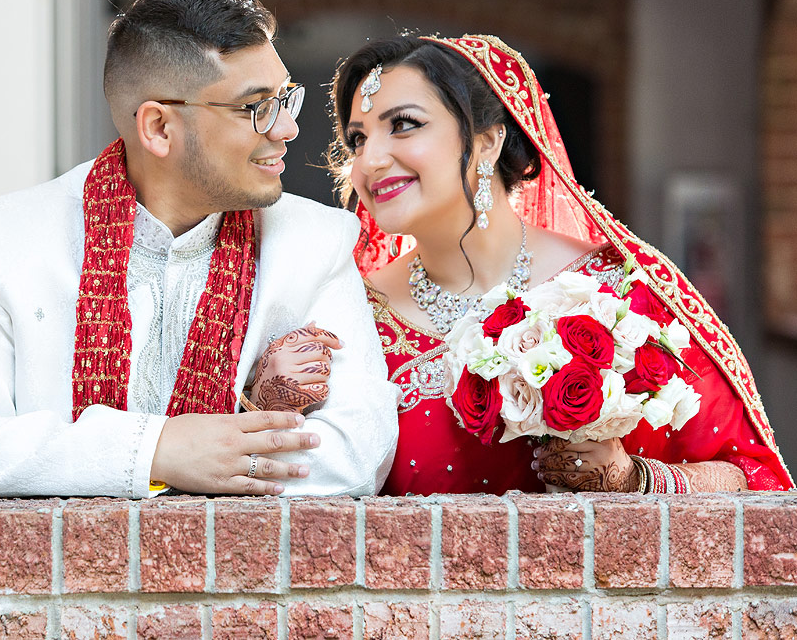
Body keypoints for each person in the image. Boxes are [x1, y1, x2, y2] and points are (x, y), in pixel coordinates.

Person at [0, 0, 398, 499]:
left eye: (285, 100)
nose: (287, 128)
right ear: (158, 127)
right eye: (256, 107)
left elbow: (358, 452)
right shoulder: (0, 244)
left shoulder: (314, 243)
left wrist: (197, 461)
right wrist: (154, 452)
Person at [257, 32, 792, 494]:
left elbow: (754, 480)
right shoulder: (351, 311)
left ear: (488, 141)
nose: (369, 160)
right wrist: (266, 403)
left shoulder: (620, 289)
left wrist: (634, 480)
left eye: (403, 125)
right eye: (357, 138)